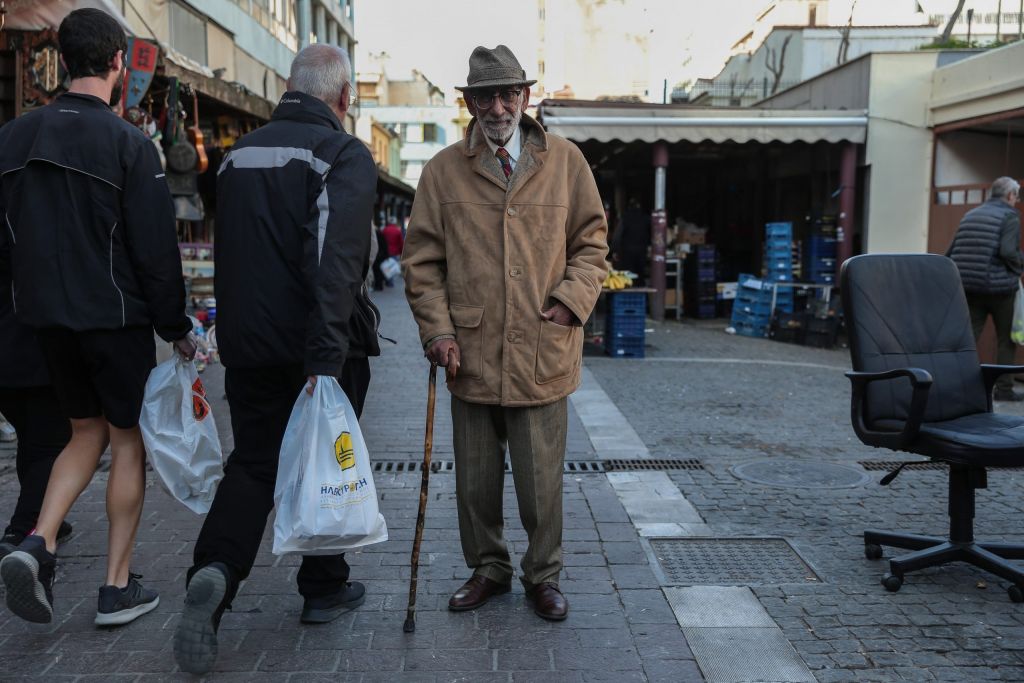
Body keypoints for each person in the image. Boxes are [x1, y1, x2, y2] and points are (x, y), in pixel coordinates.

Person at [174, 43, 378, 675]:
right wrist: (326, 359)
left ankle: (214, 571)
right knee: (326, 460)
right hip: (316, 347)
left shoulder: (237, 158)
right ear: (344, 98)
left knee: (255, 465)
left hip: (249, 345)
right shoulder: (340, 153)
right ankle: (322, 588)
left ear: (290, 87)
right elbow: (335, 261)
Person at [0, 8, 195, 627]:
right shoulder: (130, 144)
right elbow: (156, 254)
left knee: (81, 432)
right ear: (118, 63)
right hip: (114, 321)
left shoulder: (12, 138)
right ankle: (115, 588)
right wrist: (178, 327)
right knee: (125, 440)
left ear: (61, 58)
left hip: (43, 319)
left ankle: (39, 541)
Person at [402, 45, 608, 622]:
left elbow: (592, 243)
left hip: (543, 346)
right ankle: (488, 568)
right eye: (485, 96)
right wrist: (437, 330)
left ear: (525, 97)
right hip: (469, 352)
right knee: (475, 481)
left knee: (542, 483)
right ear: (469, 102)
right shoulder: (443, 170)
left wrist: (571, 302)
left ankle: (544, 574)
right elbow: (422, 262)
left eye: (507, 93)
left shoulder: (566, 162)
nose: (498, 106)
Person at [0, 306, 73, 557]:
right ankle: (22, 532)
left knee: (32, 441)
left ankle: (48, 516)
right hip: (34, 350)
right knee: (51, 446)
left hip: (11, 354)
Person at [947, 176, 1023, 401]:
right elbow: (1008, 251)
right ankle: (1004, 390)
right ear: (1010, 196)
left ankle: (954, 382)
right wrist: (1020, 264)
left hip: (969, 286)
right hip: (1000, 289)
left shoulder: (970, 215)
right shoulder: (1010, 216)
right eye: (1016, 196)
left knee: (969, 336)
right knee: (1006, 339)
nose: (1016, 201)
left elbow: (951, 250)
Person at [611, 198, 650, 285]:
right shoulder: (646, 218)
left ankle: (629, 294)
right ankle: (642, 295)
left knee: (628, 276)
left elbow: (617, 236)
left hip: (627, 252)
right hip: (641, 251)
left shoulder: (625, 217)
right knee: (640, 276)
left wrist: (615, 250)